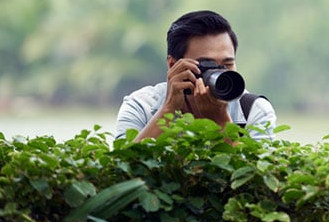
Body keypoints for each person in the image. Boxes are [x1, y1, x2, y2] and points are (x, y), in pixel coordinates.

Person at [115, 10, 276, 141]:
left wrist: (221, 121)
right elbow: (124, 170)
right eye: (207, 65)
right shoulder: (141, 106)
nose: (220, 74)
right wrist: (168, 109)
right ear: (173, 65)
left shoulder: (253, 110)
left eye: (227, 65)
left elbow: (253, 178)